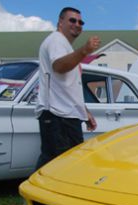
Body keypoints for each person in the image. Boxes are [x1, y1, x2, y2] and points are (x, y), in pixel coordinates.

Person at [35, 7, 100, 169]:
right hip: (58, 114)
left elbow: (68, 86)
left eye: (80, 22)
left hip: (66, 114)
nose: (77, 24)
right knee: (61, 166)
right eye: (72, 20)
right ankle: (36, 192)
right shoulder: (56, 40)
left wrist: (84, 111)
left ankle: (35, 192)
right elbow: (59, 66)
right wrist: (85, 50)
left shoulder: (65, 46)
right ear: (60, 22)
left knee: (57, 163)